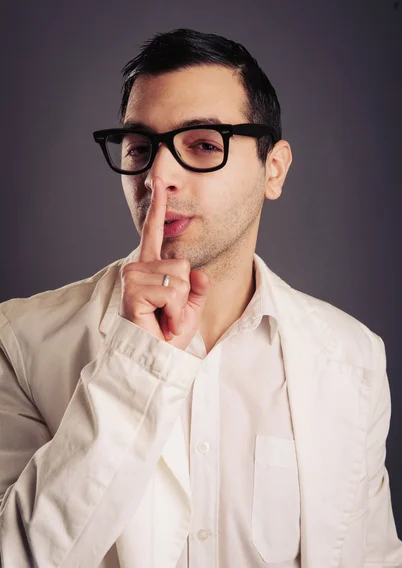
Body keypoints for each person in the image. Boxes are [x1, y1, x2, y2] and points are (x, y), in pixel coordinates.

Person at [0, 28, 401, 568]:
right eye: (140, 148)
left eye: (204, 145)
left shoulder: (354, 359)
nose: (156, 178)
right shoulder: (20, 342)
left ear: (273, 170)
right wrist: (133, 367)